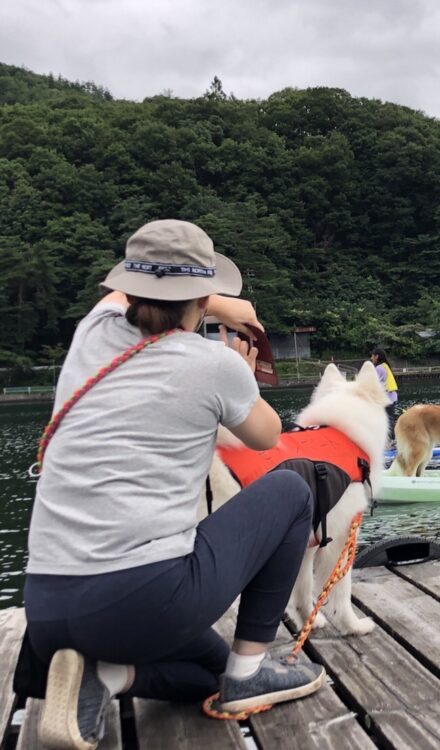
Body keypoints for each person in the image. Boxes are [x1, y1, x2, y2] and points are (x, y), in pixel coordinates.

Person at [24, 220, 324, 750]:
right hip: (143, 603)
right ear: (203, 293)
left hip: (45, 607)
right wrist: (240, 369)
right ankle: (252, 671)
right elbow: (268, 436)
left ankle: (105, 678)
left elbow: (120, 295)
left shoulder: (92, 332)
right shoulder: (210, 363)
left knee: (211, 671)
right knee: (293, 488)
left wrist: (211, 304)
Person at [370, 346, 398, 441]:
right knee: (389, 421)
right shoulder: (385, 366)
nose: (371, 358)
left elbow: (372, 383)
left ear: (376, 356)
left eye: (372, 356)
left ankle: (392, 443)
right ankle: (393, 441)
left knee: (388, 423)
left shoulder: (379, 368)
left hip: (387, 400)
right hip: (392, 398)